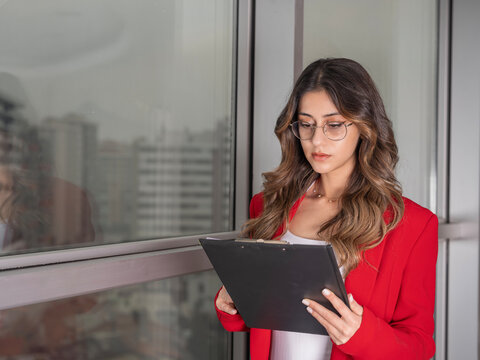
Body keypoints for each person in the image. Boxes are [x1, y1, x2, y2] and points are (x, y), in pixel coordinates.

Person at [214, 58, 438, 360]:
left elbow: (420, 347)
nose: (316, 140)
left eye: (333, 125)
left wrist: (362, 334)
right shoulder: (269, 205)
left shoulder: (412, 224)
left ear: (364, 126)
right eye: (306, 124)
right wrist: (230, 302)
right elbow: (254, 319)